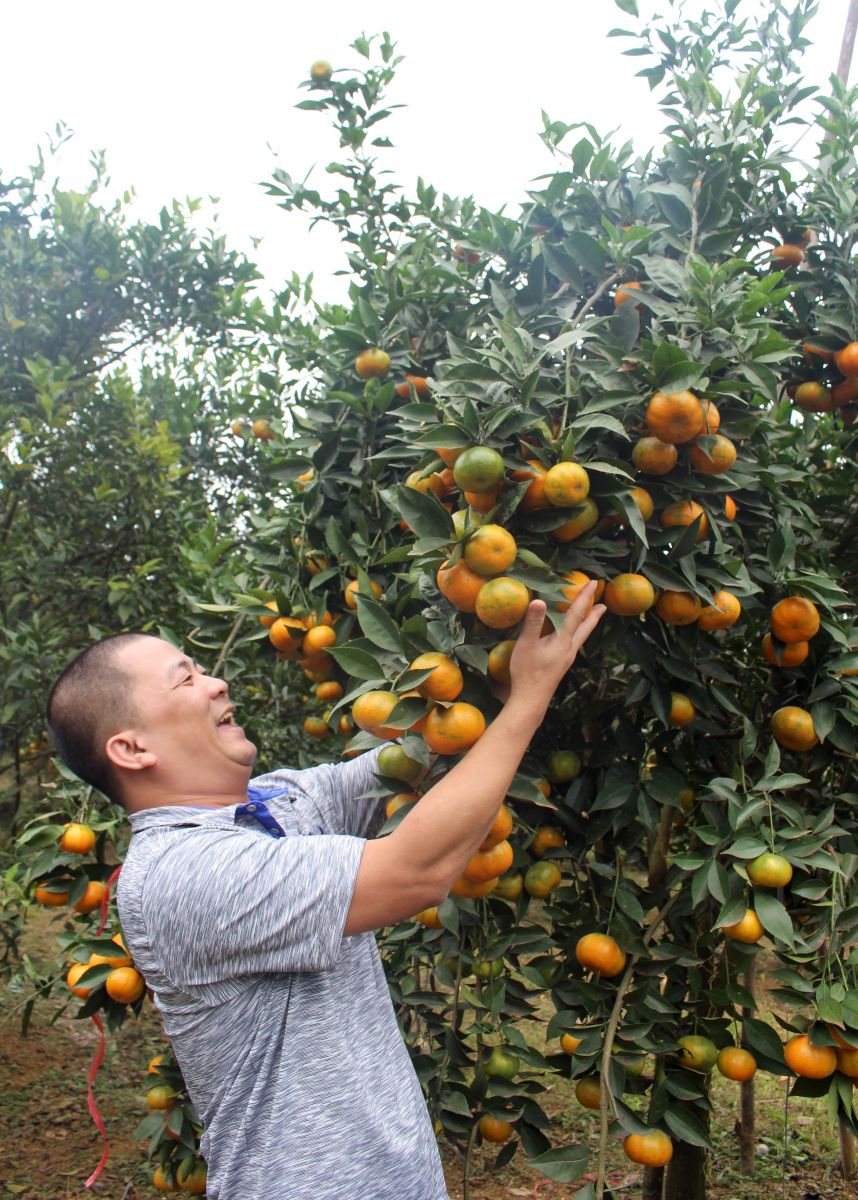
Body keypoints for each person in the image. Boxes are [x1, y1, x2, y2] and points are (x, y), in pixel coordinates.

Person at [46, 586, 603, 1200]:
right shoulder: (179, 875)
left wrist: (499, 668)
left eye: (204, 669)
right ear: (131, 748)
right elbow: (417, 871)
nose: (217, 683)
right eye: (186, 680)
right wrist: (529, 698)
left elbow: (424, 752)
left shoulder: (281, 800)